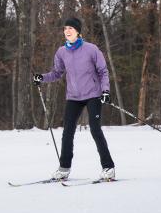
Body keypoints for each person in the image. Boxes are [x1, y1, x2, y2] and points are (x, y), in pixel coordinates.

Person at [33, 17, 115, 181]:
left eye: (70, 28)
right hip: (74, 97)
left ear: (78, 31)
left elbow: (103, 72)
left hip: (93, 94)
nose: (67, 31)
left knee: (95, 129)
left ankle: (108, 168)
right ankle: (64, 168)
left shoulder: (91, 49)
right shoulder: (61, 52)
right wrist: (41, 77)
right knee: (67, 132)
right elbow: (57, 73)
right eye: (65, 28)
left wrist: (105, 91)